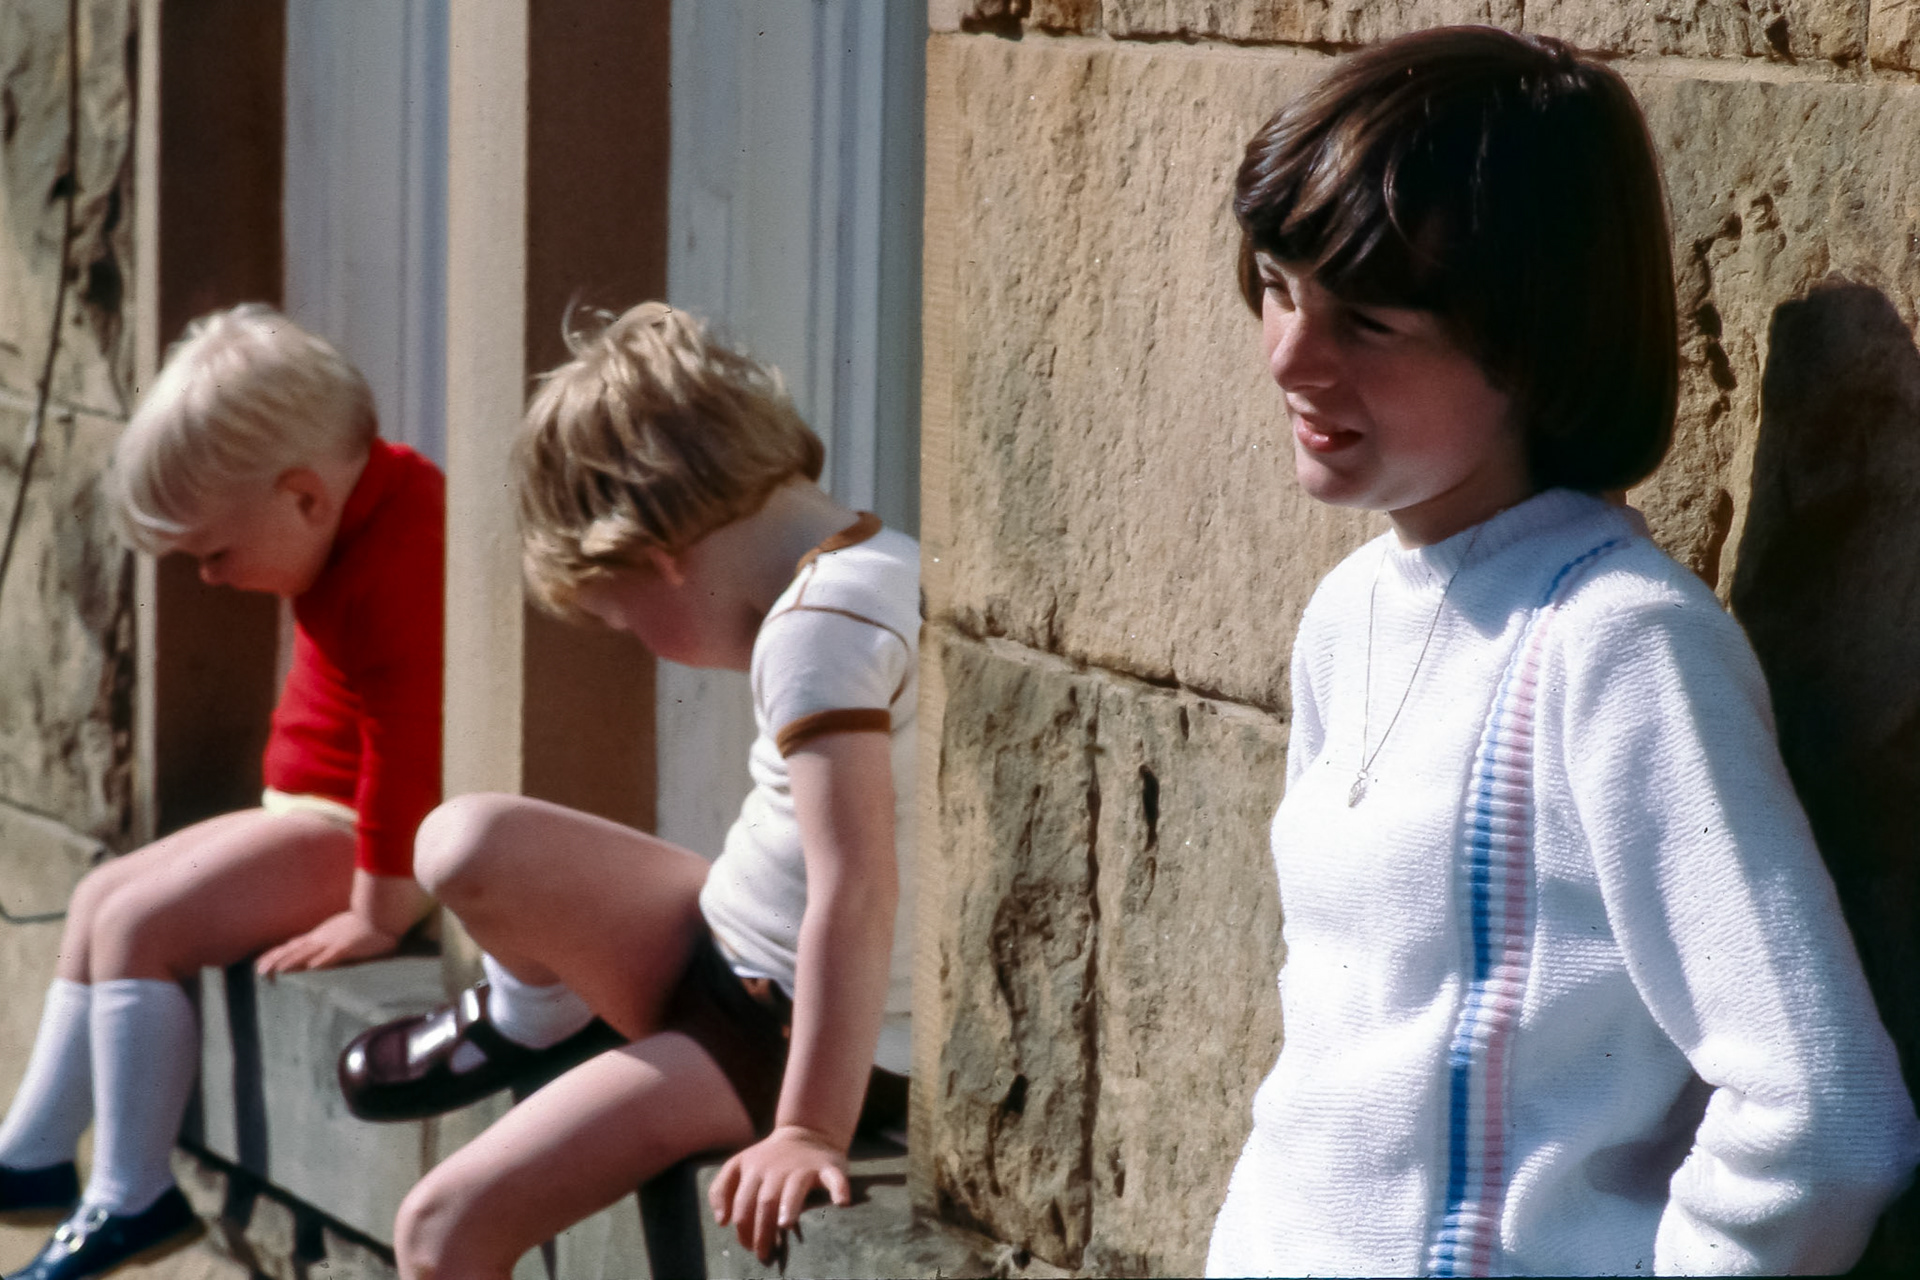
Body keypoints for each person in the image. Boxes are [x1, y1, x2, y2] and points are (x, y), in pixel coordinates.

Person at [1205, 26, 1920, 1277]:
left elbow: (1826, 1116)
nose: (1288, 356)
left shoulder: (1622, 647)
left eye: (1368, 320)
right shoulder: (1347, 613)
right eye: (1276, 285)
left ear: (1533, 341)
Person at [335, 302, 917, 1276]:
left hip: (765, 1036)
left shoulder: (816, 634)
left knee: (440, 1227)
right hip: (720, 945)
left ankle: (553, 1022)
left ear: (659, 560)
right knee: (459, 841)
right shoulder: (882, 563)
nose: (645, 647)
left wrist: (808, 1127)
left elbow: (854, 890)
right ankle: (535, 1016)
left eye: (624, 618)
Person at [0, 306, 443, 1280]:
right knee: (100, 894)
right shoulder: (348, 518)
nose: (206, 577)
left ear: (303, 498)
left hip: (358, 837)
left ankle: (133, 1193)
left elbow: (409, 747)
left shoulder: (405, 553)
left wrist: (379, 907)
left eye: (215, 552)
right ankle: (31, 1155)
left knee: (140, 926)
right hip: (315, 813)